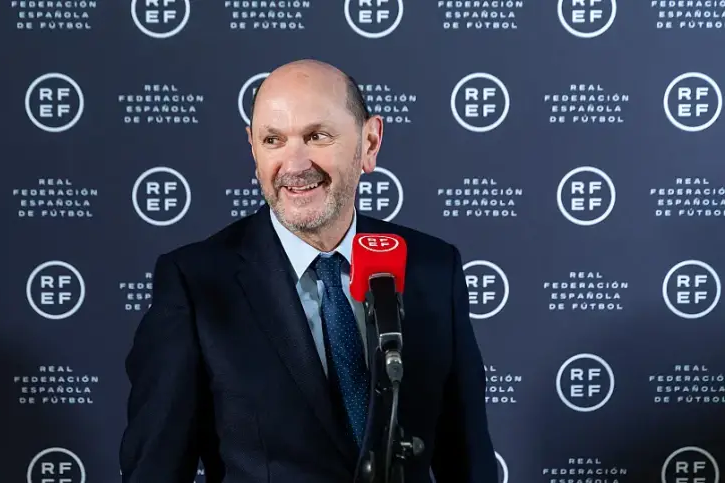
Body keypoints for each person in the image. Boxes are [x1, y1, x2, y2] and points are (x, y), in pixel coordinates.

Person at [119, 59, 497, 483]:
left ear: (369, 143)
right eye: (273, 140)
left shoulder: (431, 267)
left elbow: (469, 460)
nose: (294, 164)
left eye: (317, 136)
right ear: (253, 149)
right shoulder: (196, 284)